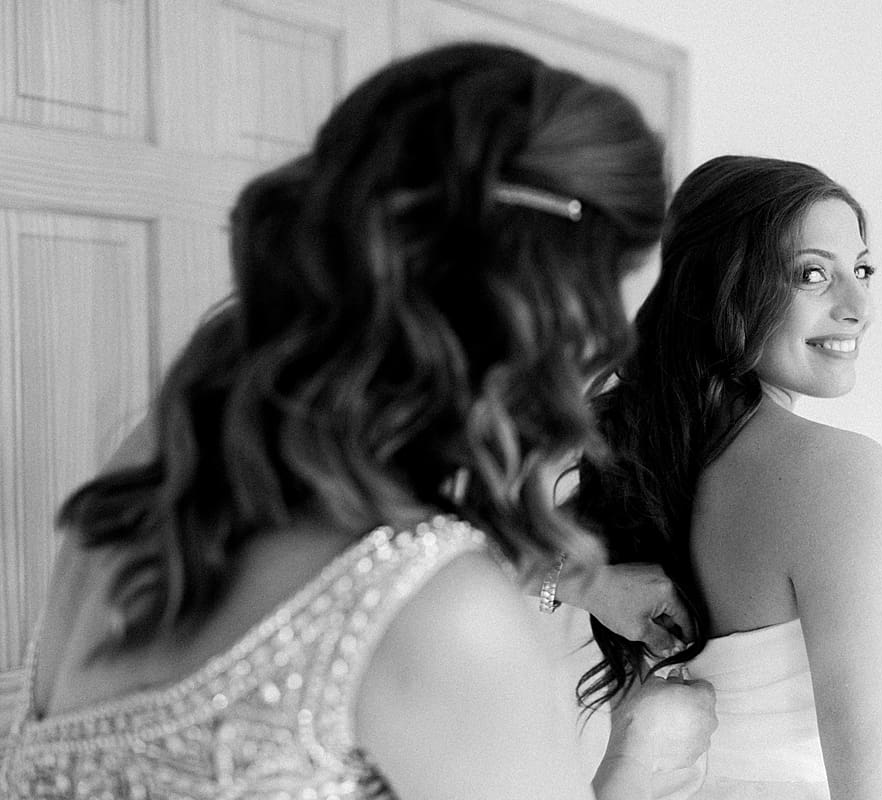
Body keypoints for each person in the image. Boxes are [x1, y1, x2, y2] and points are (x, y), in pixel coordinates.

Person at [0, 43, 716, 799]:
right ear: (551, 312)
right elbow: (371, 608)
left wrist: (583, 584)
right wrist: (640, 759)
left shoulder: (162, 466)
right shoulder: (441, 618)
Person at [575, 155, 882, 799]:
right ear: (724, 287)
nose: (859, 307)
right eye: (813, 274)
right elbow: (881, 789)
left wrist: (586, 585)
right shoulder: (844, 476)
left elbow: (440, 547)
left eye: (863, 270)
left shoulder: (636, 462)